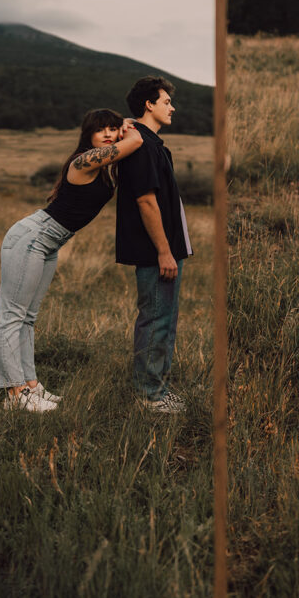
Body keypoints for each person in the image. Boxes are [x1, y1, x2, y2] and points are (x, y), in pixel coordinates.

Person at [0, 109, 143, 412]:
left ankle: (31, 386)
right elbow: (135, 142)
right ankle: (14, 394)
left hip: (49, 244)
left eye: (113, 129)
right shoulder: (83, 161)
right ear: (88, 134)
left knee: (28, 318)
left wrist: (123, 126)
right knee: (12, 316)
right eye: (101, 129)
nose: (109, 134)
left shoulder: (104, 167)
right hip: (32, 238)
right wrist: (129, 127)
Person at [115, 76, 193, 413]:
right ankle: (149, 396)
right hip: (154, 251)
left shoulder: (150, 144)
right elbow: (146, 201)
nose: (172, 107)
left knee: (164, 318)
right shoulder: (141, 146)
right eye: (165, 101)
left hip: (165, 250)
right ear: (149, 104)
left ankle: (158, 388)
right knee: (156, 319)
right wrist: (164, 251)